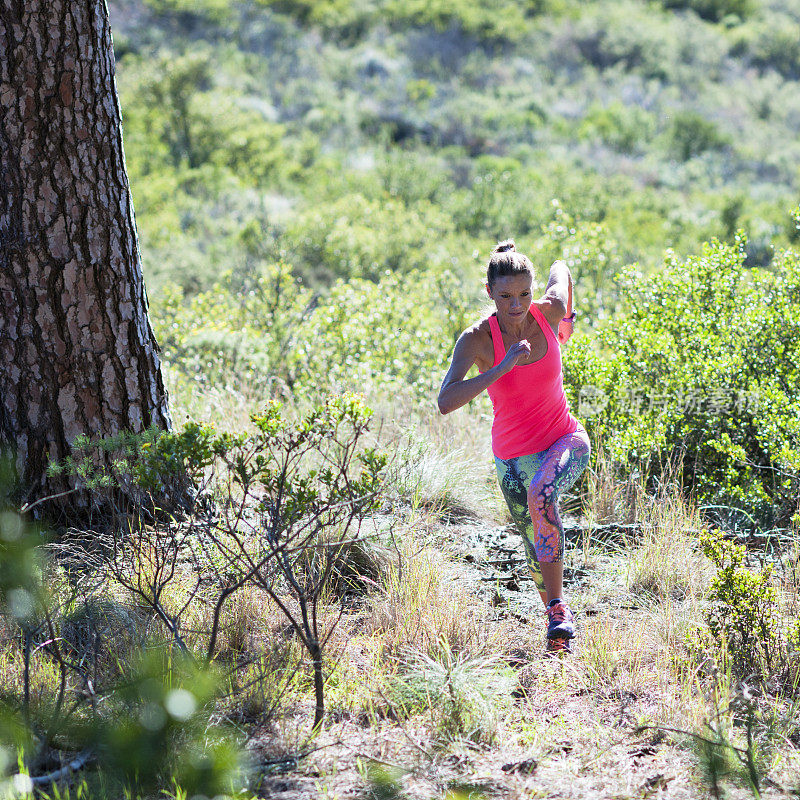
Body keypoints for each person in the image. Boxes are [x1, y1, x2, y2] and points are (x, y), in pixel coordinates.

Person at [437, 240, 591, 654]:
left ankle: (558, 607)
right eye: (506, 296)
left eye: (525, 293)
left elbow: (562, 266)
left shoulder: (548, 311)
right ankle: (558, 634)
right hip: (511, 460)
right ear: (489, 292)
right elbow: (445, 402)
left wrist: (568, 321)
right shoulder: (477, 339)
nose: (517, 304)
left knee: (542, 494)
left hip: (565, 439)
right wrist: (502, 366)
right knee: (536, 549)